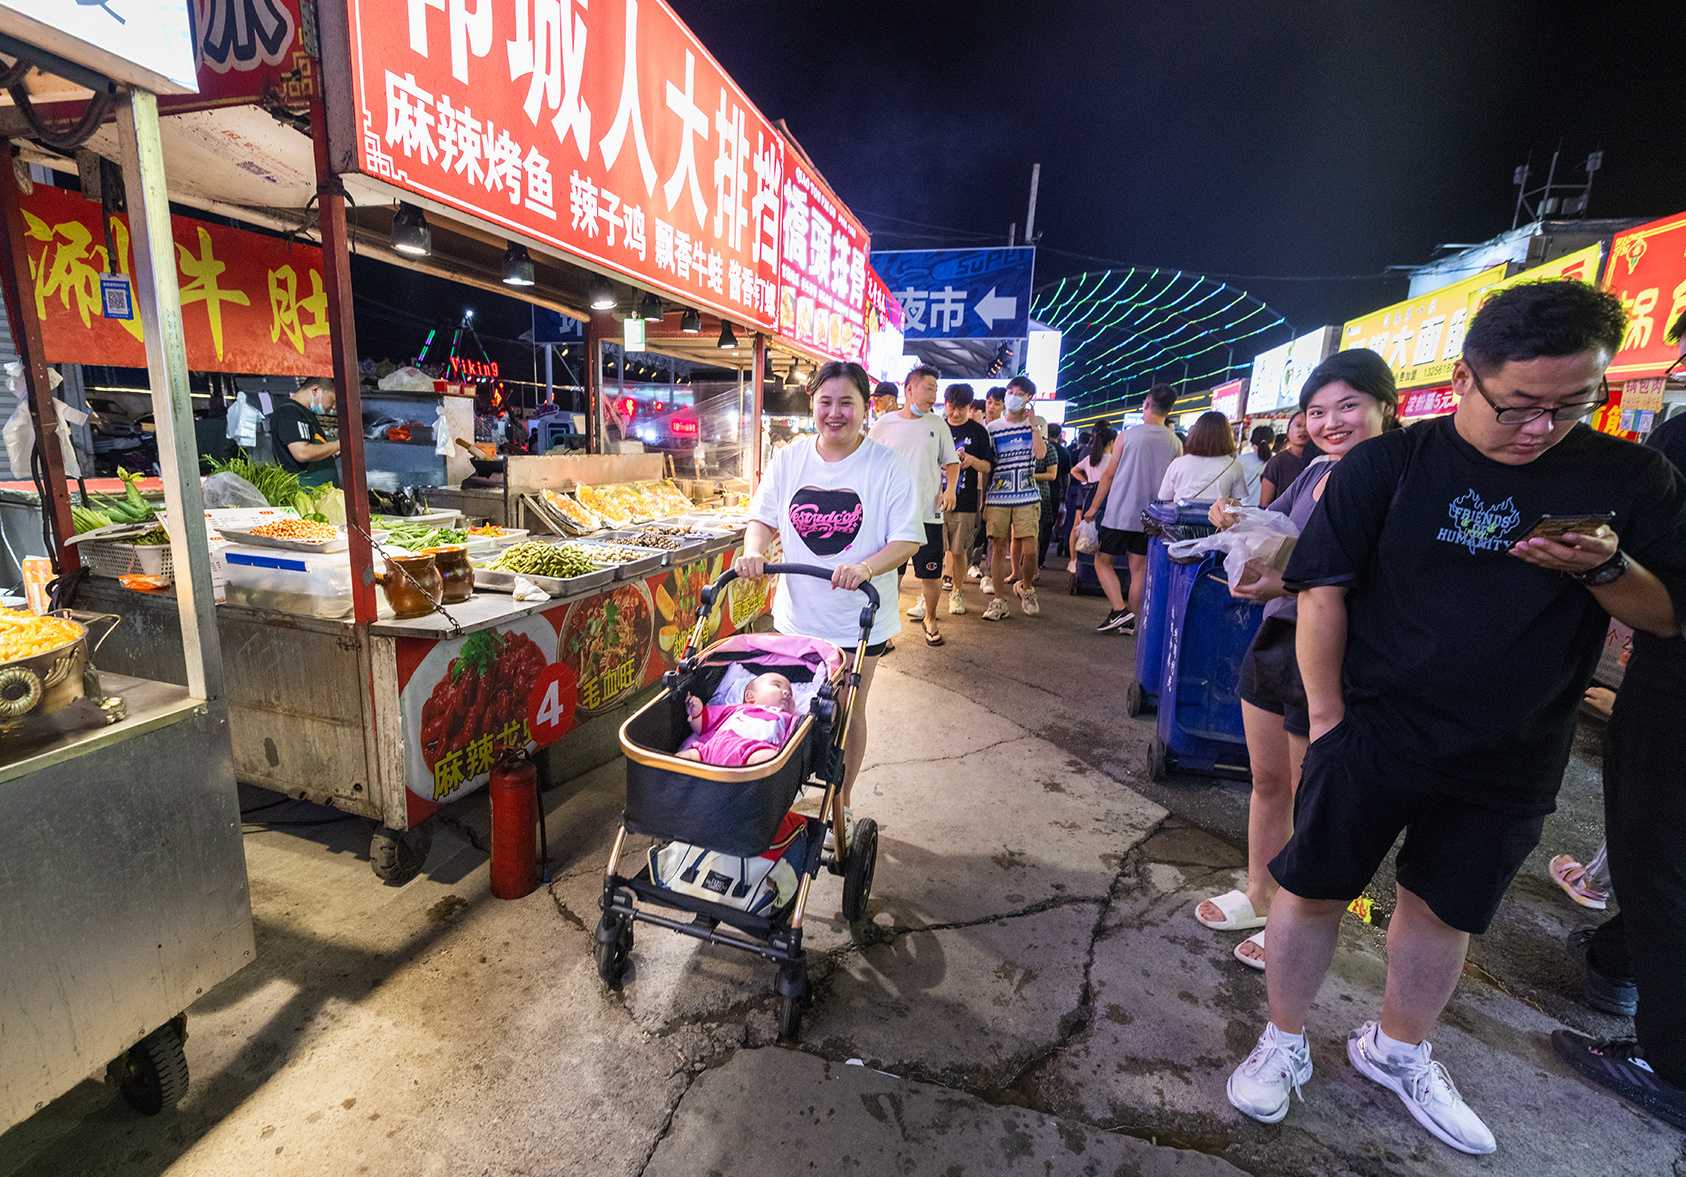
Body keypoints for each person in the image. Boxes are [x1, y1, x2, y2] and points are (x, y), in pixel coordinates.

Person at [1225, 281, 1686, 1155]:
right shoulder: (1390, 465)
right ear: (1469, 377)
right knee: (1313, 888)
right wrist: (1326, 720)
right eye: (1520, 404)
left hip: (1515, 746)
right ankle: (1282, 1039)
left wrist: (1603, 567)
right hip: (1372, 728)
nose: (1541, 427)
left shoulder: (1629, 477)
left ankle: (1397, 1049)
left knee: (1445, 909)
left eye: (1569, 406)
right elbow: (1323, 593)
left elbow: (1668, 614)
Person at [1192, 350, 1397, 970]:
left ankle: (1295, 914)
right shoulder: (1314, 471)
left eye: (1348, 406)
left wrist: (1286, 583)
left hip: (1333, 651)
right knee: (1268, 781)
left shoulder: (1392, 478)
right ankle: (1258, 891)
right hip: (1278, 636)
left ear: (1386, 406)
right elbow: (1286, 530)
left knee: (1317, 793)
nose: (1331, 421)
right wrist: (1235, 520)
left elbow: (1371, 576)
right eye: (1317, 411)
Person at [1551, 309, 1686, 1133]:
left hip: (1676, 680)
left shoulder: (1674, 445)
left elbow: (1640, 571)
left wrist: (1593, 556)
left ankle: (1667, 1060)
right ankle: (1614, 961)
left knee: (1657, 854)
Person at [738, 361, 922, 848]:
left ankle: (841, 797)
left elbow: (908, 539)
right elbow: (761, 516)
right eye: (825, 402)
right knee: (791, 703)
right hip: (799, 617)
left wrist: (865, 567)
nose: (834, 413)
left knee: (846, 708)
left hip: (858, 619)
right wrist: (754, 550)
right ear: (812, 404)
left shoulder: (886, 466)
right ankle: (782, 781)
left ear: (867, 406)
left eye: (847, 403)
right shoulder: (791, 458)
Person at [870, 364, 958, 646]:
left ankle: (930, 617)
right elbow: (868, 463)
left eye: (936, 390)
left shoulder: (937, 424)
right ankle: (885, 631)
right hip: (890, 517)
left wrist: (951, 490)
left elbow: (952, 461)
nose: (934, 395)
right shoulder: (884, 424)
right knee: (888, 576)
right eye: (929, 388)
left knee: (929, 574)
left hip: (927, 514)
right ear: (910, 389)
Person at [1084, 383, 1182, 633]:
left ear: (1147, 405)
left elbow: (1108, 474)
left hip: (1119, 513)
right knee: (1138, 569)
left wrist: (1093, 508)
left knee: (1102, 561)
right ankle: (1130, 623)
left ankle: (1119, 610)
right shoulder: (1175, 442)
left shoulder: (1127, 435)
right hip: (1152, 517)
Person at [980, 376, 1047, 620]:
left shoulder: (1036, 424)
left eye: (1019, 392)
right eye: (1010, 391)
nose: (1012, 395)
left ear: (1029, 399)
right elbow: (989, 464)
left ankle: (1026, 587)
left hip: (1027, 494)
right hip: (998, 493)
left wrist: (1032, 425)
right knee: (997, 548)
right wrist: (983, 500)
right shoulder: (993, 427)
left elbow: (1040, 454)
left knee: (1030, 548)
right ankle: (999, 599)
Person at [939, 383, 994, 615]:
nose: (955, 413)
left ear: (970, 406)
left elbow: (988, 465)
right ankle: (926, 597)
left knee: (959, 550)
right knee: (934, 551)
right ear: (945, 403)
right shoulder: (937, 427)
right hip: (935, 499)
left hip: (965, 500)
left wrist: (971, 460)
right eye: (952, 407)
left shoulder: (978, 431)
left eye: (961, 408)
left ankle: (957, 593)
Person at [677, 672, 796, 766]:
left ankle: (744, 787)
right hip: (715, 748)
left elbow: (794, 742)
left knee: (770, 759)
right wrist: (696, 713)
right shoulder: (737, 709)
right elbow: (703, 725)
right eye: (776, 685)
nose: (786, 693)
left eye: (790, 693)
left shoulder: (788, 718)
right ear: (750, 696)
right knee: (686, 756)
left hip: (753, 751)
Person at [1157, 411, 1248, 503]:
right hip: (1217, 517)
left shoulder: (1178, 464)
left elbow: (1164, 497)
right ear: (1227, 436)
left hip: (1182, 516)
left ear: (1195, 434)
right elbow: (1236, 500)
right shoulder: (1234, 466)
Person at [269, 376, 341, 488]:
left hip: (319, 495)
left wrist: (330, 454)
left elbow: (311, 453)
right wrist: (338, 444)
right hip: (302, 493)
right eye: (333, 400)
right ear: (315, 390)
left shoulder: (307, 414)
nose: (334, 407)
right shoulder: (289, 413)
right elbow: (302, 453)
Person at [1258, 411, 1314, 506]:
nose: (1302, 430)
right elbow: (1264, 504)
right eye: (1298, 426)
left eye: (1307, 425)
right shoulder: (1277, 462)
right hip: (1282, 519)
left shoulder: (1322, 461)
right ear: (1288, 433)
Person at [1038, 422, 1072, 569]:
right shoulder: (1064, 452)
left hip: (1036, 489)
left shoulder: (1040, 448)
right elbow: (1066, 476)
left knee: (1032, 525)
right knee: (1047, 526)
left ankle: (1025, 558)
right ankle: (1040, 560)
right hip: (1053, 492)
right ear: (1059, 436)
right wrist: (1065, 492)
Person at [1239, 425, 1275, 506]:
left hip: (1242, 507)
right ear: (1273, 443)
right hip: (1268, 510)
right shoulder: (1278, 460)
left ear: (1252, 444)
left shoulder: (1241, 460)